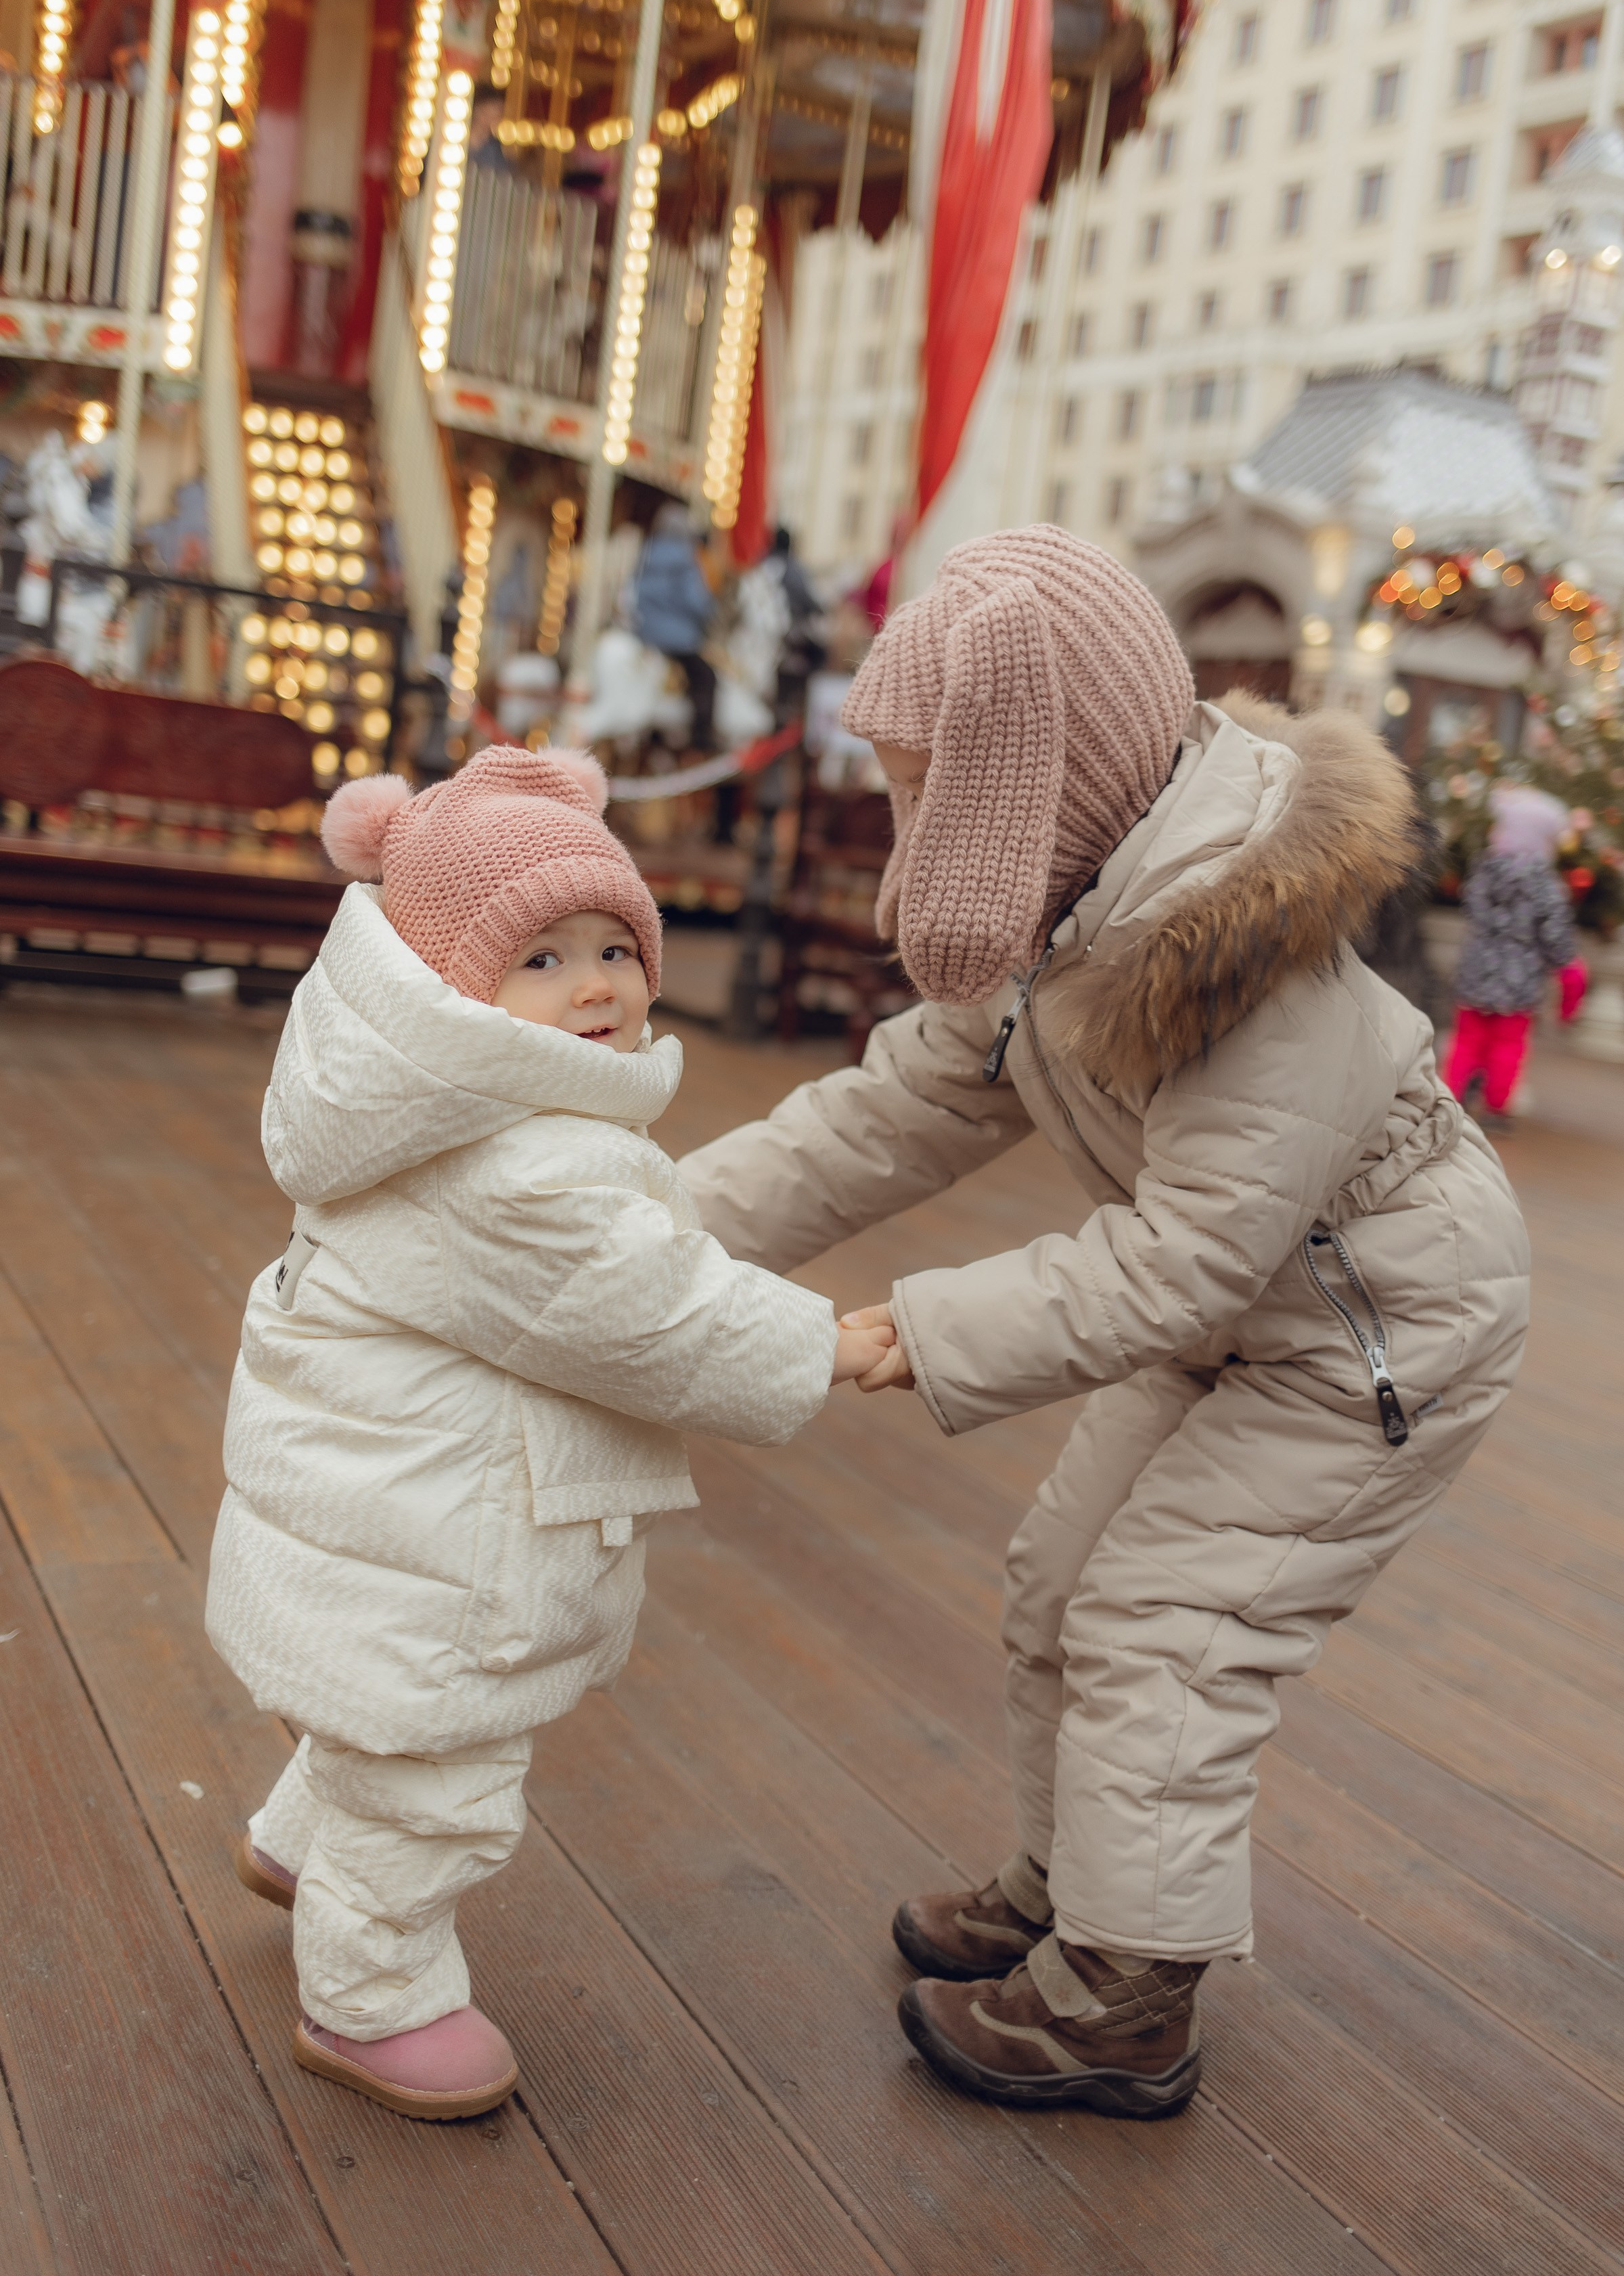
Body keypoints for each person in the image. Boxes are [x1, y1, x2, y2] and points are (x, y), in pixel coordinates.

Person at [678, 526, 1530, 2120]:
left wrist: (911, 1331)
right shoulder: (1058, 898)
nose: (907, 831)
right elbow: (887, 1113)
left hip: (1372, 1332)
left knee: (1166, 1620)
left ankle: (1124, 1994)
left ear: (1035, 782)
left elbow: (1189, 1255)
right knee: (1057, 1578)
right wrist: (644, 1234)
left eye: (928, 791)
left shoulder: (1238, 947)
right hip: (1247, 1307)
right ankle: (1069, 1887)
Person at [206, 745, 891, 2122]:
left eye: (615, 950)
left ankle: (301, 1840)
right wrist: (811, 1343)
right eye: (540, 960)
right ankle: (372, 1990)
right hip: (447, 1542)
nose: (596, 987)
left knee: (389, 1715)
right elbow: (648, 1308)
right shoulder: (512, 1163)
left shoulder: (423, 1103)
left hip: (380, 1505)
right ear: (447, 982)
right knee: (445, 1762)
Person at [1442, 782, 1585, 1133]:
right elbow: (1555, 934)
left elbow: (1473, 909)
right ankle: (1496, 1108)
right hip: (1519, 981)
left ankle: (1450, 1098)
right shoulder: (1546, 886)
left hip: (1477, 973)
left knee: (1466, 1040)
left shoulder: (1483, 872)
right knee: (1508, 1046)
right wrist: (1566, 965)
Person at [632, 504, 717, 746]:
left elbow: (636, 594)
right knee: (706, 678)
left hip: (647, 633)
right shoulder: (685, 557)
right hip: (677, 638)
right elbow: (695, 600)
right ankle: (700, 740)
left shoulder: (648, 551)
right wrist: (710, 610)